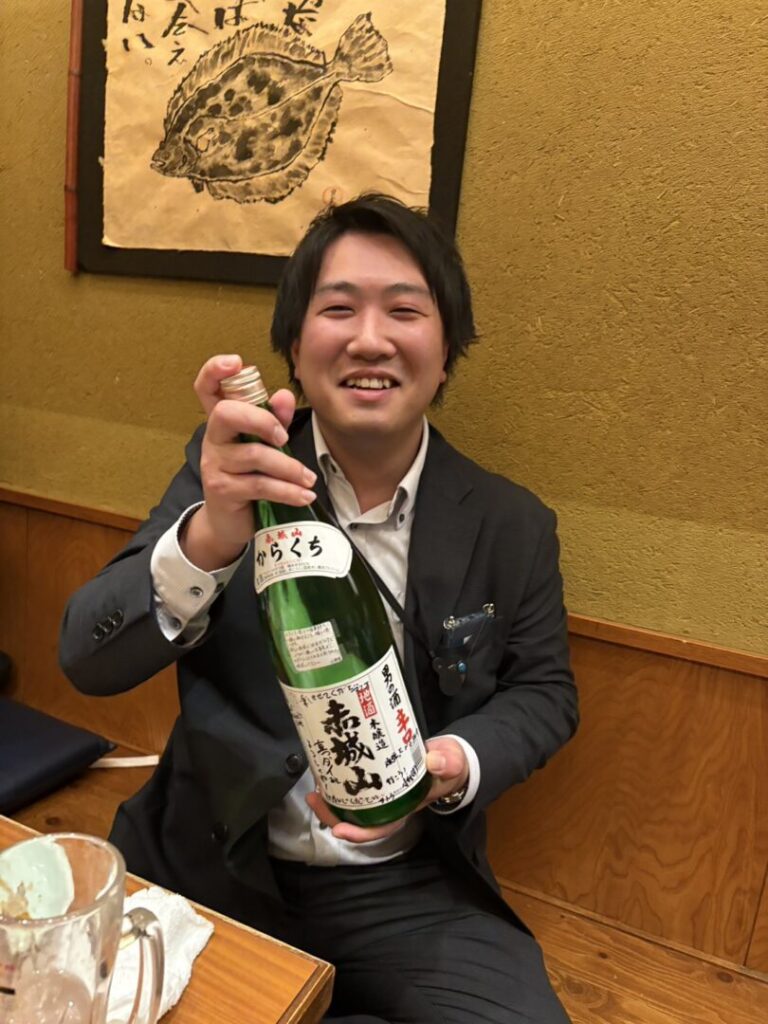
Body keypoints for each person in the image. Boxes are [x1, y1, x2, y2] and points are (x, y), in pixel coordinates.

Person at [60, 194, 578, 1023]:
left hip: (403, 887)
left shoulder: (511, 524)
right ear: (296, 353)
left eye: (404, 310)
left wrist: (453, 761)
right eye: (338, 309)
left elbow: (545, 693)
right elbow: (86, 660)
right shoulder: (230, 475)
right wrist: (211, 536)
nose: (370, 339)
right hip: (207, 858)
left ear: (447, 353)